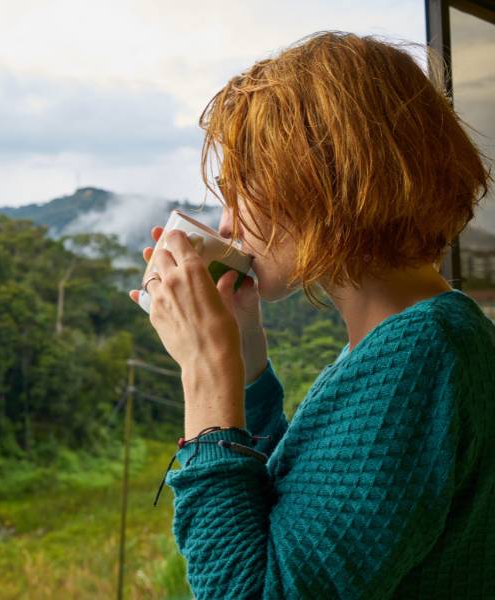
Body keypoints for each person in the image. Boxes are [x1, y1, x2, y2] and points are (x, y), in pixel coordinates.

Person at [127, 30, 494, 599]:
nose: (226, 226)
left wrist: (205, 374)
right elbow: (298, 515)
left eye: (238, 191)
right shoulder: (406, 337)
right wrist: (246, 366)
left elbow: (252, 590)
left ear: (318, 180)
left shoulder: (424, 352)